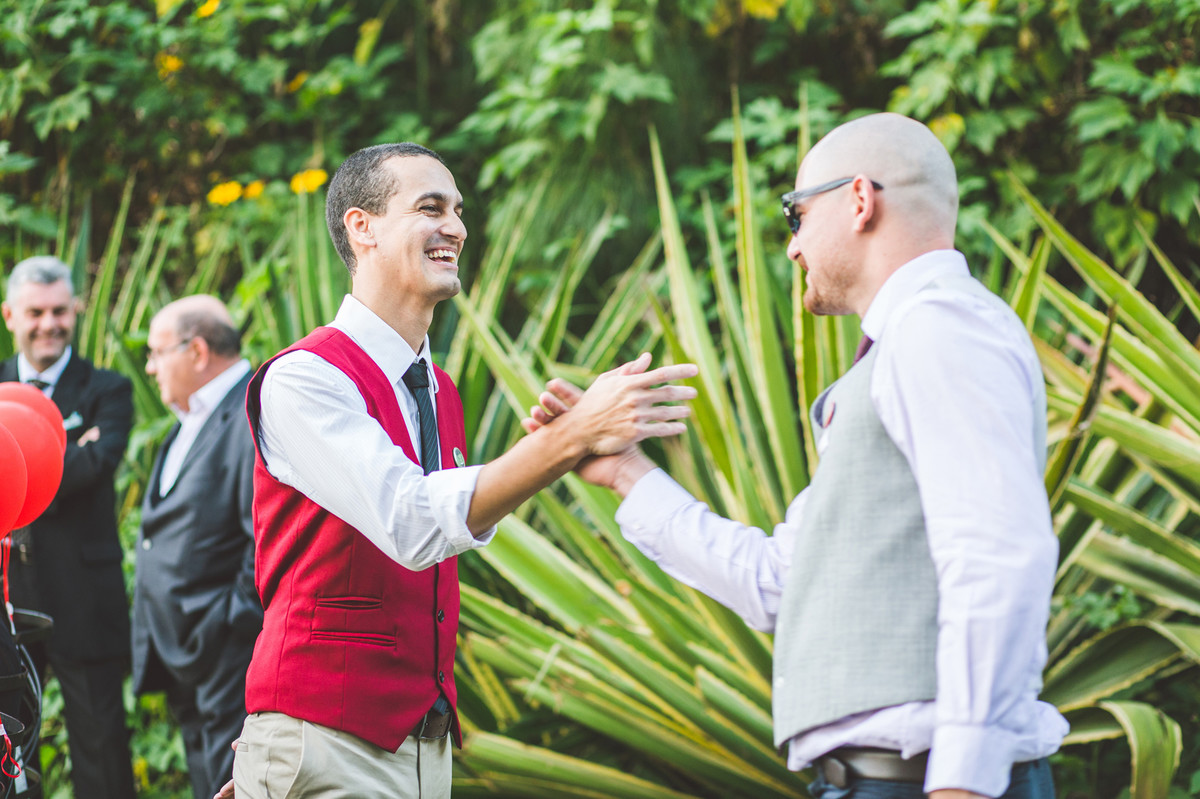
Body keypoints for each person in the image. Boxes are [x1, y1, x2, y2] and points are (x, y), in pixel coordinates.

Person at [529, 113, 1068, 798]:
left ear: (860, 200)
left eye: (796, 214)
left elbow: (996, 552)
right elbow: (780, 581)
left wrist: (962, 781)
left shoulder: (940, 325)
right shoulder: (902, 350)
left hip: (926, 780)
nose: (791, 249)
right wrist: (627, 473)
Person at [226, 142, 696, 799]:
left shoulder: (439, 389)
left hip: (424, 748)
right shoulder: (305, 377)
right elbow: (412, 520)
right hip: (329, 737)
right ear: (362, 228)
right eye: (430, 207)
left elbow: (446, 532)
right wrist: (568, 438)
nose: (457, 227)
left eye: (459, 210)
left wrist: (569, 446)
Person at [0, 255, 136, 798]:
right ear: (10, 314)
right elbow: (73, 469)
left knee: (101, 746)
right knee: (8, 743)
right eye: (35, 312)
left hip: (84, 599)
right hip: (9, 603)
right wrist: (66, 453)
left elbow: (96, 468)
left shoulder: (108, 388)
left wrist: (21, 466)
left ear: (76, 309)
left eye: (60, 310)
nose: (48, 323)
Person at [132, 295, 260, 799]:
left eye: (156, 352)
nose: (149, 366)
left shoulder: (251, 411)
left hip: (225, 656)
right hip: (183, 656)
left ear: (198, 350)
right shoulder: (191, 419)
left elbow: (262, 540)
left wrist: (227, 626)